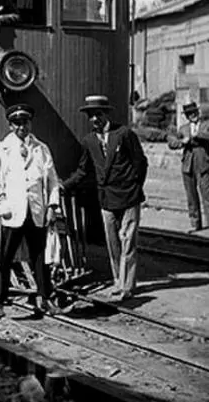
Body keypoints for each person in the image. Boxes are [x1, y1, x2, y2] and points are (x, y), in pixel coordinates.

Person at [63, 95, 148, 301]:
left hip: (128, 195)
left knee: (128, 241)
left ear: (106, 114)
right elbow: (83, 171)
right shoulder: (89, 141)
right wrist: (64, 186)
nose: (94, 119)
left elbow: (141, 163)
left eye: (98, 114)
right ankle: (119, 281)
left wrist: (135, 186)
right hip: (107, 199)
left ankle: (126, 287)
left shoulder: (124, 134)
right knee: (112, 243)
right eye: (91, 116)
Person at [0, 105, 62, 318]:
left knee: (40, 258)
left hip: (36, 211)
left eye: (25, 122)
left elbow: (53, 180)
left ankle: (46, 299)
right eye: (17, 123)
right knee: (3, 258)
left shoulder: (41, 149)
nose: (21, 127)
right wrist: (0, 198)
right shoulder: (1, 148)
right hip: (11, 212)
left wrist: (53, 206)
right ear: (10, 125)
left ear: (30, 124)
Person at [167, 102, 209, 234]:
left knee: (207, 194)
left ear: (198, 113)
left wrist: (198, 135)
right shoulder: (183, 128)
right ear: (187, 116)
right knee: (191, 196)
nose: (193, 115)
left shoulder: (207, 125)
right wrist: (181, 142)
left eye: (194, 112)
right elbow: (171, 142)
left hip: (203, 163)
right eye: (190, 114)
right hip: (187, 165)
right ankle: (195, 223)